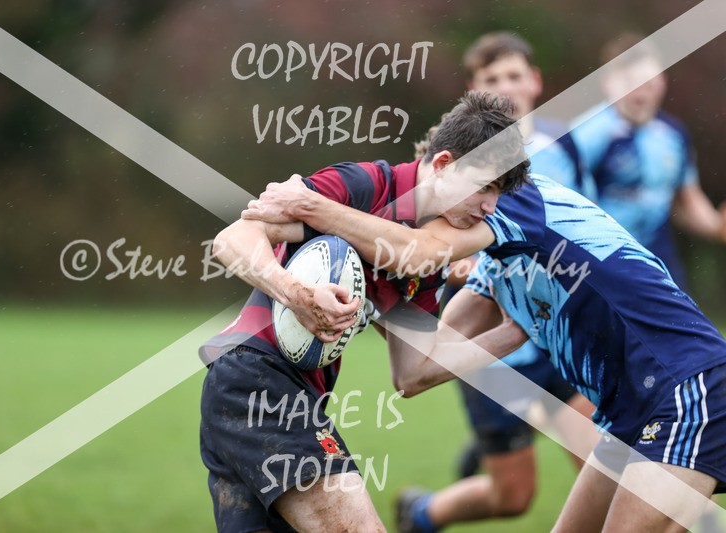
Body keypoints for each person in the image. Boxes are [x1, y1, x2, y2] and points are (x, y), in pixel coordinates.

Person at [242, 107, 726, 532]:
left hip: (686, 385)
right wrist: (507, 331)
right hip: (631, 412)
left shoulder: (519, 202)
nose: (483, 204)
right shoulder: (495, 266)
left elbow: (417, 252)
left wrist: (314, 206)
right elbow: (415, 372)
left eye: (491, 191)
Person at [198, 91, 530, 532]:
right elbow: (233, 240)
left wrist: (519, 330)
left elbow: (413, 373)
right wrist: (295, 294)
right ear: (444, 163)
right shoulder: (365, 185)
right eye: (485, 186)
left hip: (287, 397)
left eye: (499, 194)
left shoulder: (426, 264)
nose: (491, 207)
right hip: (257, 380)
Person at [397, 32, 601, 533]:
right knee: (513, 498)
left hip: (556, 332)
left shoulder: (565, 145)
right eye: (492, 80)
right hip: (497, 339)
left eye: (514, 75)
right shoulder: (463, 154)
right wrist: (455, 265)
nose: (506, 88)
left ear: (535, 81)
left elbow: (588, 225)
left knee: (598, 459)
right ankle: (420, 515)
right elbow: (431, 233)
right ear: (475, 89)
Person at [571, 32, 726, 289]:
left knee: (684, 329)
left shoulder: (674, 135)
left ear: (662, 82)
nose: (641, 93)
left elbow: (685, 200)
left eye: (648, 83)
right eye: (631, 83)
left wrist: (718, 227)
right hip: (600, 264)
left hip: (659, 263)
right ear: (608, 82)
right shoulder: (586, 135)